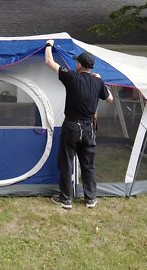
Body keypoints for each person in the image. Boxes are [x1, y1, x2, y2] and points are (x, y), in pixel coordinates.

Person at [44, 39, 113, 209]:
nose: (75, 64)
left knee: (67, 162)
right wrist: (101, 80)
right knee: (88, 164)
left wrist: (48, 45)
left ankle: (66, 199)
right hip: (88, 128)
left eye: (76, 62)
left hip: (72, 127)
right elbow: (110, 99)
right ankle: (91, 199)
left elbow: (49, 61)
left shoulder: (71, 77)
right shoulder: (98, 82)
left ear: (80, 65)